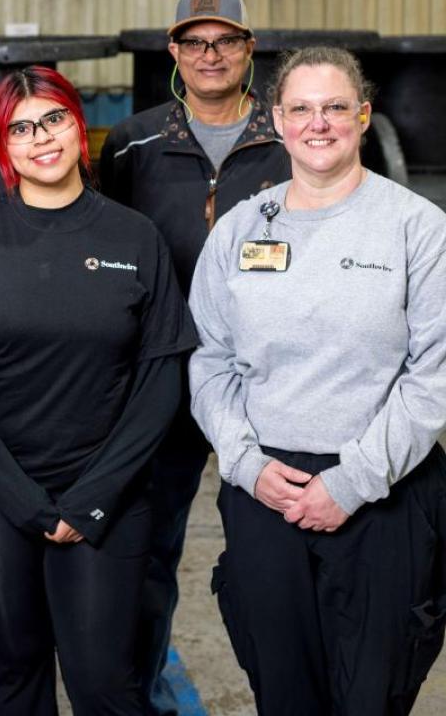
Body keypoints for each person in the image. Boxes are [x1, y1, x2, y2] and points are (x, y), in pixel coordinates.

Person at [189, 46, 446, 716]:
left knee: (373, 694)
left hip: (386, 490)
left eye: (335, 107)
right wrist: (245, 464)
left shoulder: (418, 228)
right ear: (276, 120)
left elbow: (433, 375)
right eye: (301, 109)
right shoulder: (241, 228)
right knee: (284, 692)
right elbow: (210, 359)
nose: (319, 123)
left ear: (363, 115)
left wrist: (352, 482)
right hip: (267, 493)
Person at [0, 66, 197, 715]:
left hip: (105, 496)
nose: (40, 137)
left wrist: (94, 499)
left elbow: (161, 374)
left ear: (78, 124)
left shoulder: (133, 236)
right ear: (3, 144)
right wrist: (24, 502)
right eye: (20, 127)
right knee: (9, 679)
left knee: (106, 683)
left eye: (53, 118)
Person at [97, 0, 289, 715]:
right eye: (195, 42)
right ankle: (142, 696)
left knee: (273, 553)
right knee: (147, 553)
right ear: (174, 53)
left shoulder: (291, 133)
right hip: (164, 376)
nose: (210, 55)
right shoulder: (135, 141)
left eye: (226, 40)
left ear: (249, 49)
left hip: (269, 381)